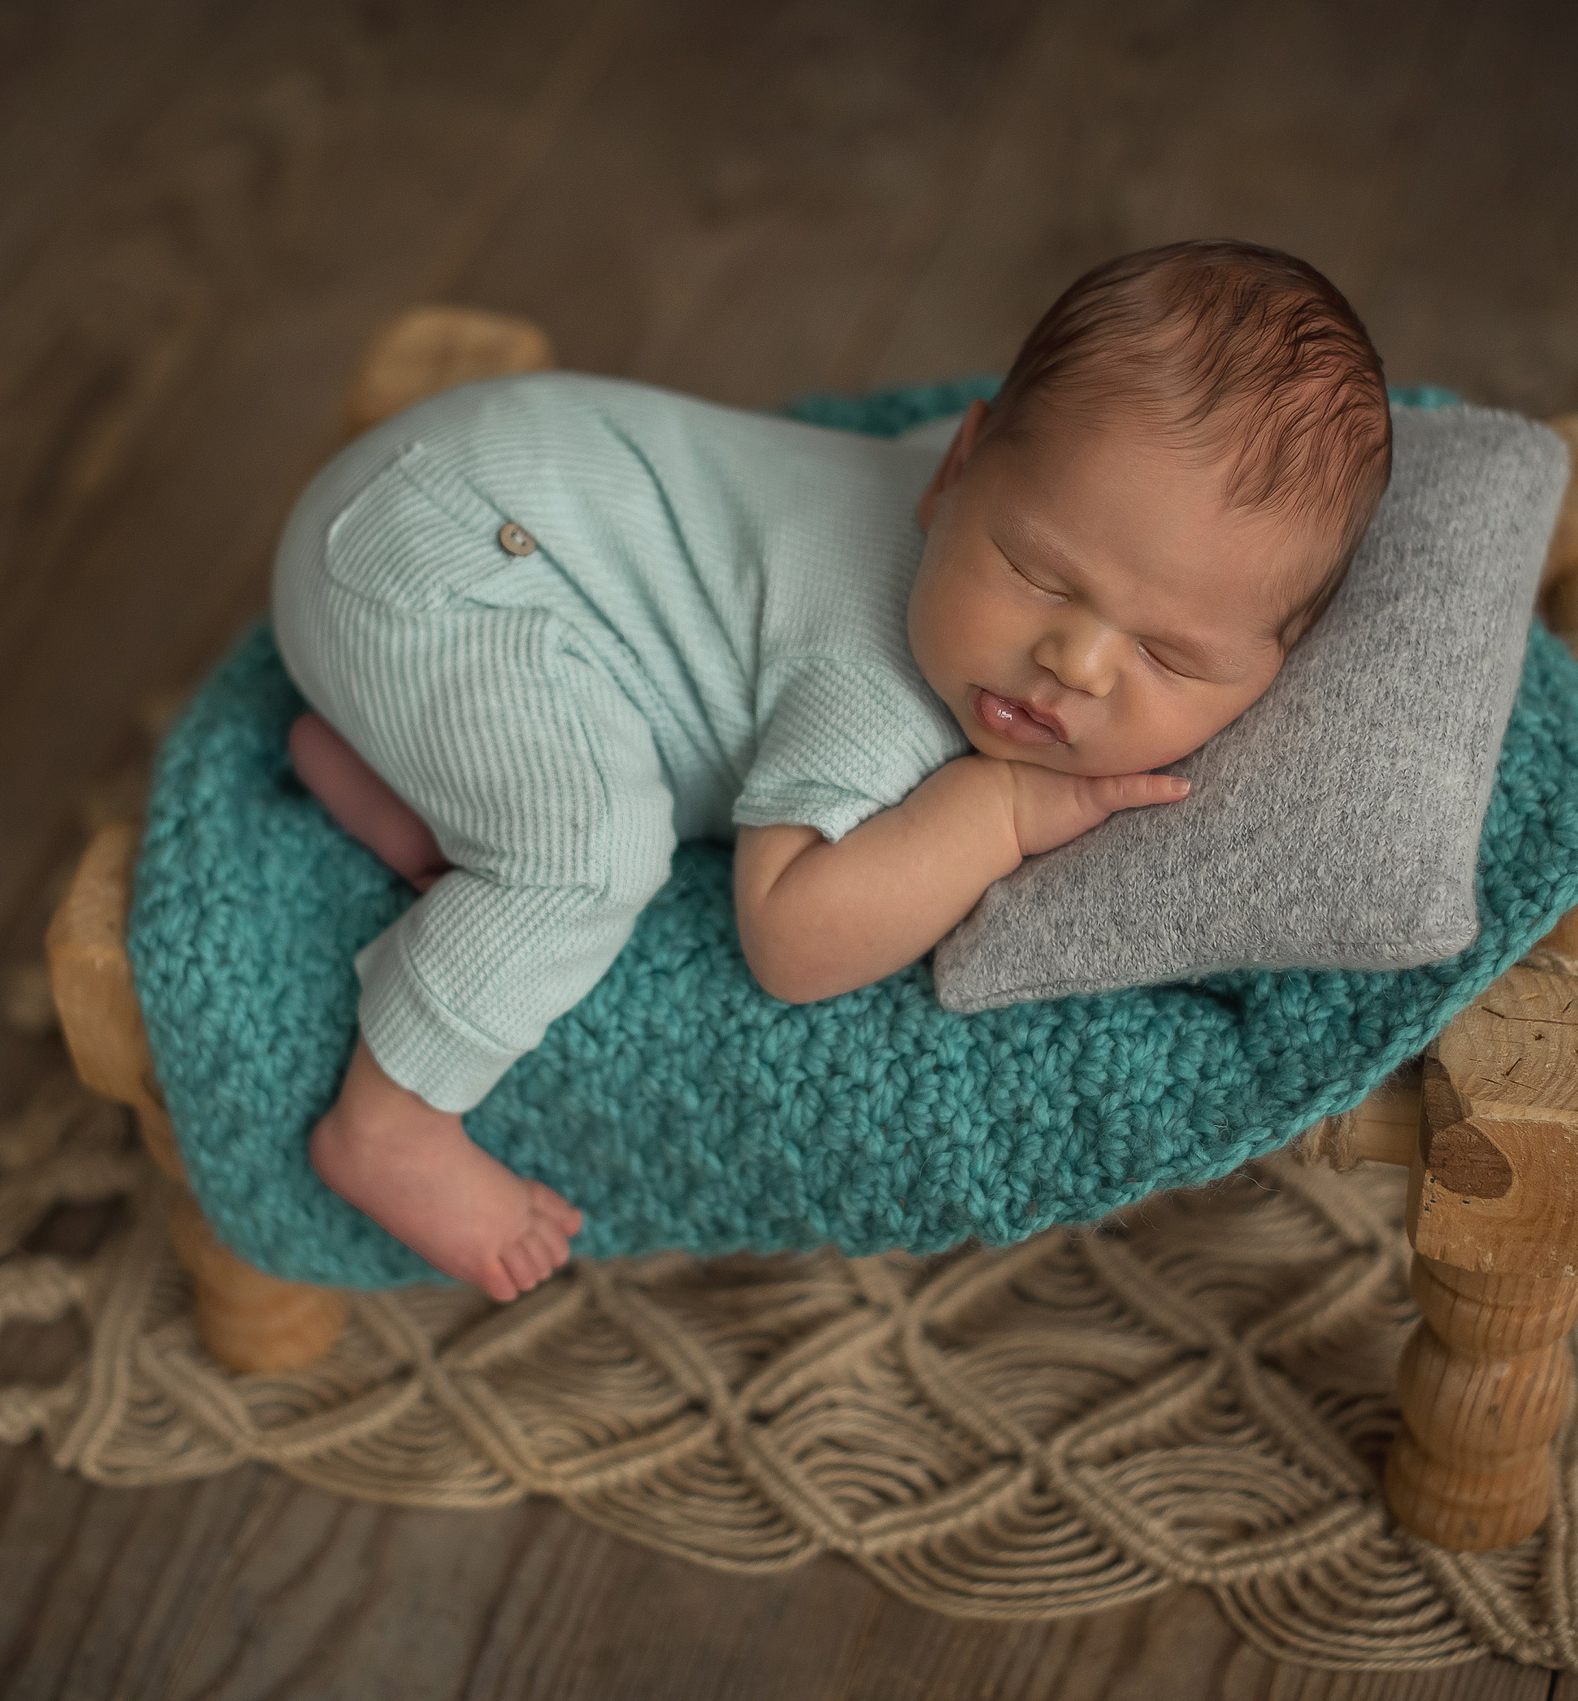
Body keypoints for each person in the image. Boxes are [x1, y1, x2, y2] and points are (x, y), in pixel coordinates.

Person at [271, 240, 1392, 1301]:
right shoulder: (874, 684)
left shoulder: (998, 504)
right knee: (588, 850)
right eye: (1037, 575)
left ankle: (379, 762)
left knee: (556, 761)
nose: (1073, 662)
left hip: (444, 500)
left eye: (1166, 655)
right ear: (953, 471)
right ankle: (386, 1124)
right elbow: (791, 943)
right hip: (438, 572)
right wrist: (991, 809)